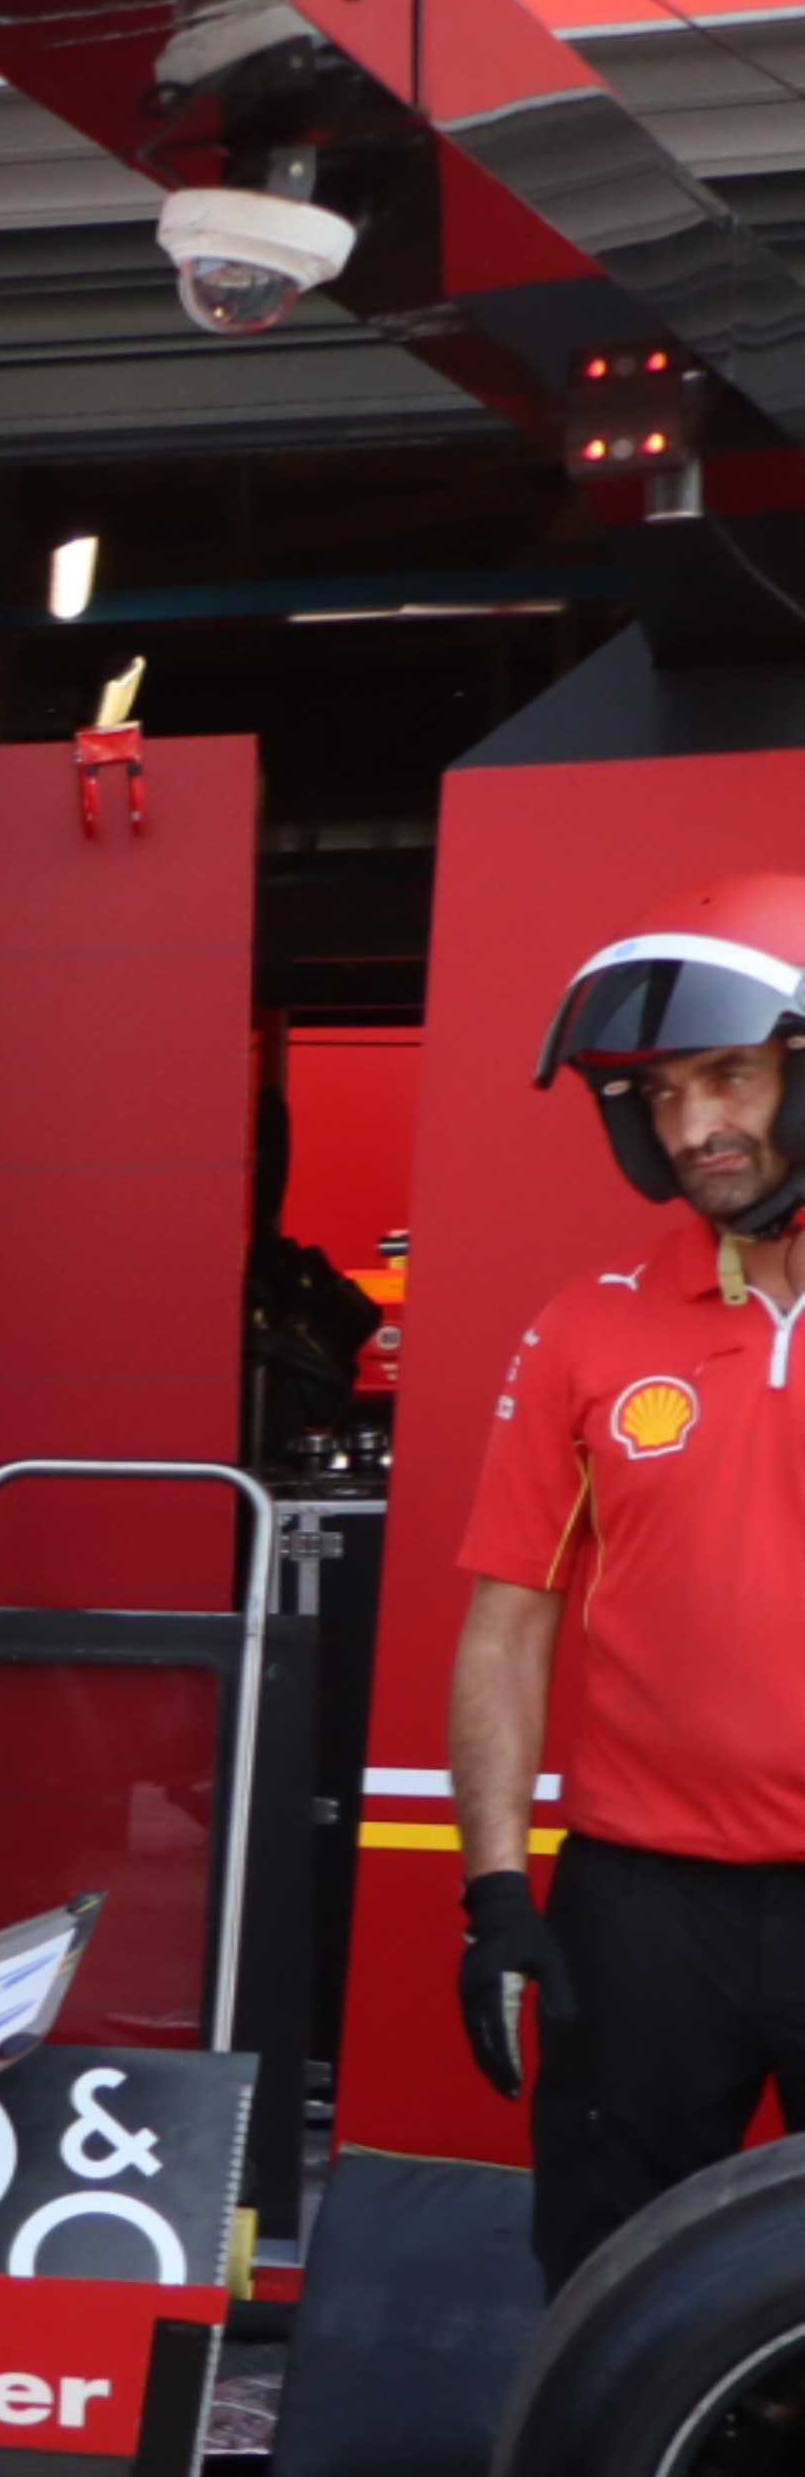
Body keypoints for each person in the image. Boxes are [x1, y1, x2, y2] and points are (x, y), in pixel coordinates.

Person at [455, 873, 805, 2293]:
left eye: (727, 1077)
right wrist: (494, 1893)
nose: (695, 1128)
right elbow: (506, 1623)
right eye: (662, 1094)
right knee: (616, 2295)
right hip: (645, 1906)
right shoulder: (587, 1329)